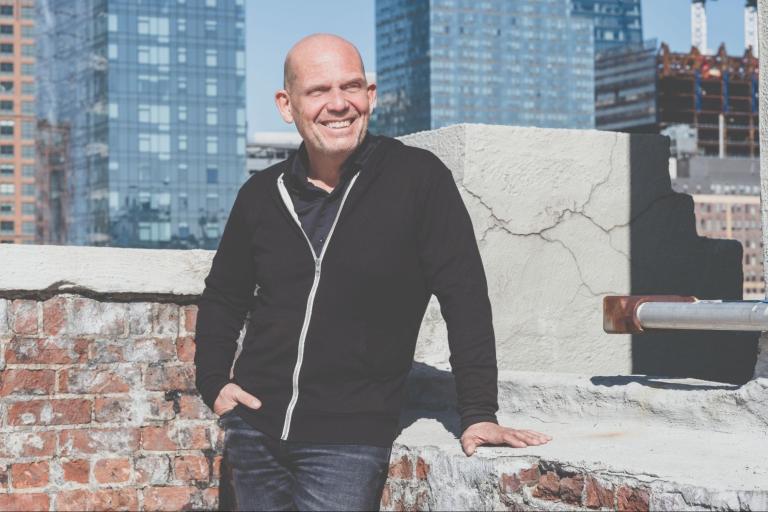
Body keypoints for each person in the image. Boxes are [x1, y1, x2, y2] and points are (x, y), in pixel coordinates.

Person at [194, 33, 552, 511]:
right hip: (255, 431)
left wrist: (478, 411)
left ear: (371, 96)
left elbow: (464, 296)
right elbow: (224, 295)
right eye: (318, 91)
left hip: (348, 441)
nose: (338, 104)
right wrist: (213, 381)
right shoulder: (262, 193)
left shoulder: (418, 180)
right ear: (287, 104)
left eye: (351, 87)